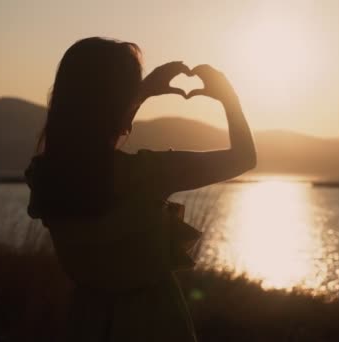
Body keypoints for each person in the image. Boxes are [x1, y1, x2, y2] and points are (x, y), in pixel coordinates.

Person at [24, 37, 256, 341]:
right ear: (119, 100)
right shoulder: (147, 175)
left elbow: (96, 146)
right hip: (154, 323)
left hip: (87, 321)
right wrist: (229, 97)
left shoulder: (45, 176)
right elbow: (243, 157)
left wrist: (141, 92)